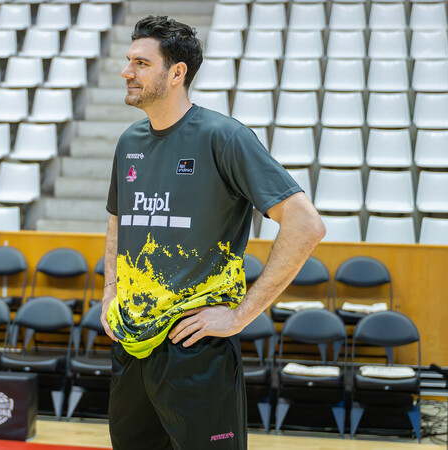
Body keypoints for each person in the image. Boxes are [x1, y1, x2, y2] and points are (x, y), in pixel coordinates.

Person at [101, 16, 326, 450]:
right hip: (129, 344)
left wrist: (241, 314)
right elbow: (117, 221)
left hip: (195, 345)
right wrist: (110, 291)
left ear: (176, 73)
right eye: (129, 61)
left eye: (141, 63)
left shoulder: (225, 137)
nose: (127, 72)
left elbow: (306, 224)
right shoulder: (129, 141)